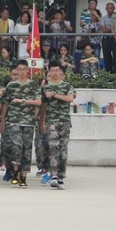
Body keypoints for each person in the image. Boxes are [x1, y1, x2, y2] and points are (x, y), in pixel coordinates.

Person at [0, 60, 42, 188]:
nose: (22, 72)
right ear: (16, 71)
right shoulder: (11, 86)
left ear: (28, 70)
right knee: (17, 145)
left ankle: (23, 176)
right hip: (13, 120)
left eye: (24, 69)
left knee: (27, 149)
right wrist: (2, 120)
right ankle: (16, 171)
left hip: (28, 122)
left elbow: (39, 102)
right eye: (19, 69)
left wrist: (23, 101)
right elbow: (5, 104)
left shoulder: (33, 85)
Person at [39, 61, 76, 190]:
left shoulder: (67, 86)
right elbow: (43, 106)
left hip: (65, 122)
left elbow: (70, 98)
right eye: (52, 70)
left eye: (57, 70)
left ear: (61, 72)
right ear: (49, 72)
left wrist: (54, 95)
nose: (54, 73)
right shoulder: (45, 88)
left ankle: (61, 176)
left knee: (63, 151)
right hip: (51, 122)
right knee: (53, 148)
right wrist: (41, 122)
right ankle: (54, 175)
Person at [100, 2, 116, 72]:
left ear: (114, 9)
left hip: (115, 38)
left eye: (111, 8)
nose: (109, 10)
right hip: (106, 39)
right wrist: (112, 28)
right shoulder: (104, 18)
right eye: (108, 8)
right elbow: (103, 30)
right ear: (106, 9)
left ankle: (115, 71)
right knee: (106, 56)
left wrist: (109, 29)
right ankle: (108, 72)